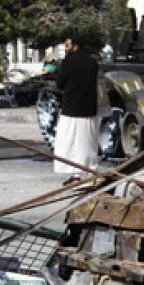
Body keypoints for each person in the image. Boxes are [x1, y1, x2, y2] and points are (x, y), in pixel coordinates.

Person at [54, 37, 99, 185]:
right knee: (87, 143)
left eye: (67, 45)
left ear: (75, 46)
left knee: (70, 143)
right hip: (89, 109)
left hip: (72, 109)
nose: (65, 48)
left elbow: (59, 83)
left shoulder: (67, 62)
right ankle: (91, 172)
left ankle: (76, 175)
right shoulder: (93, 62)